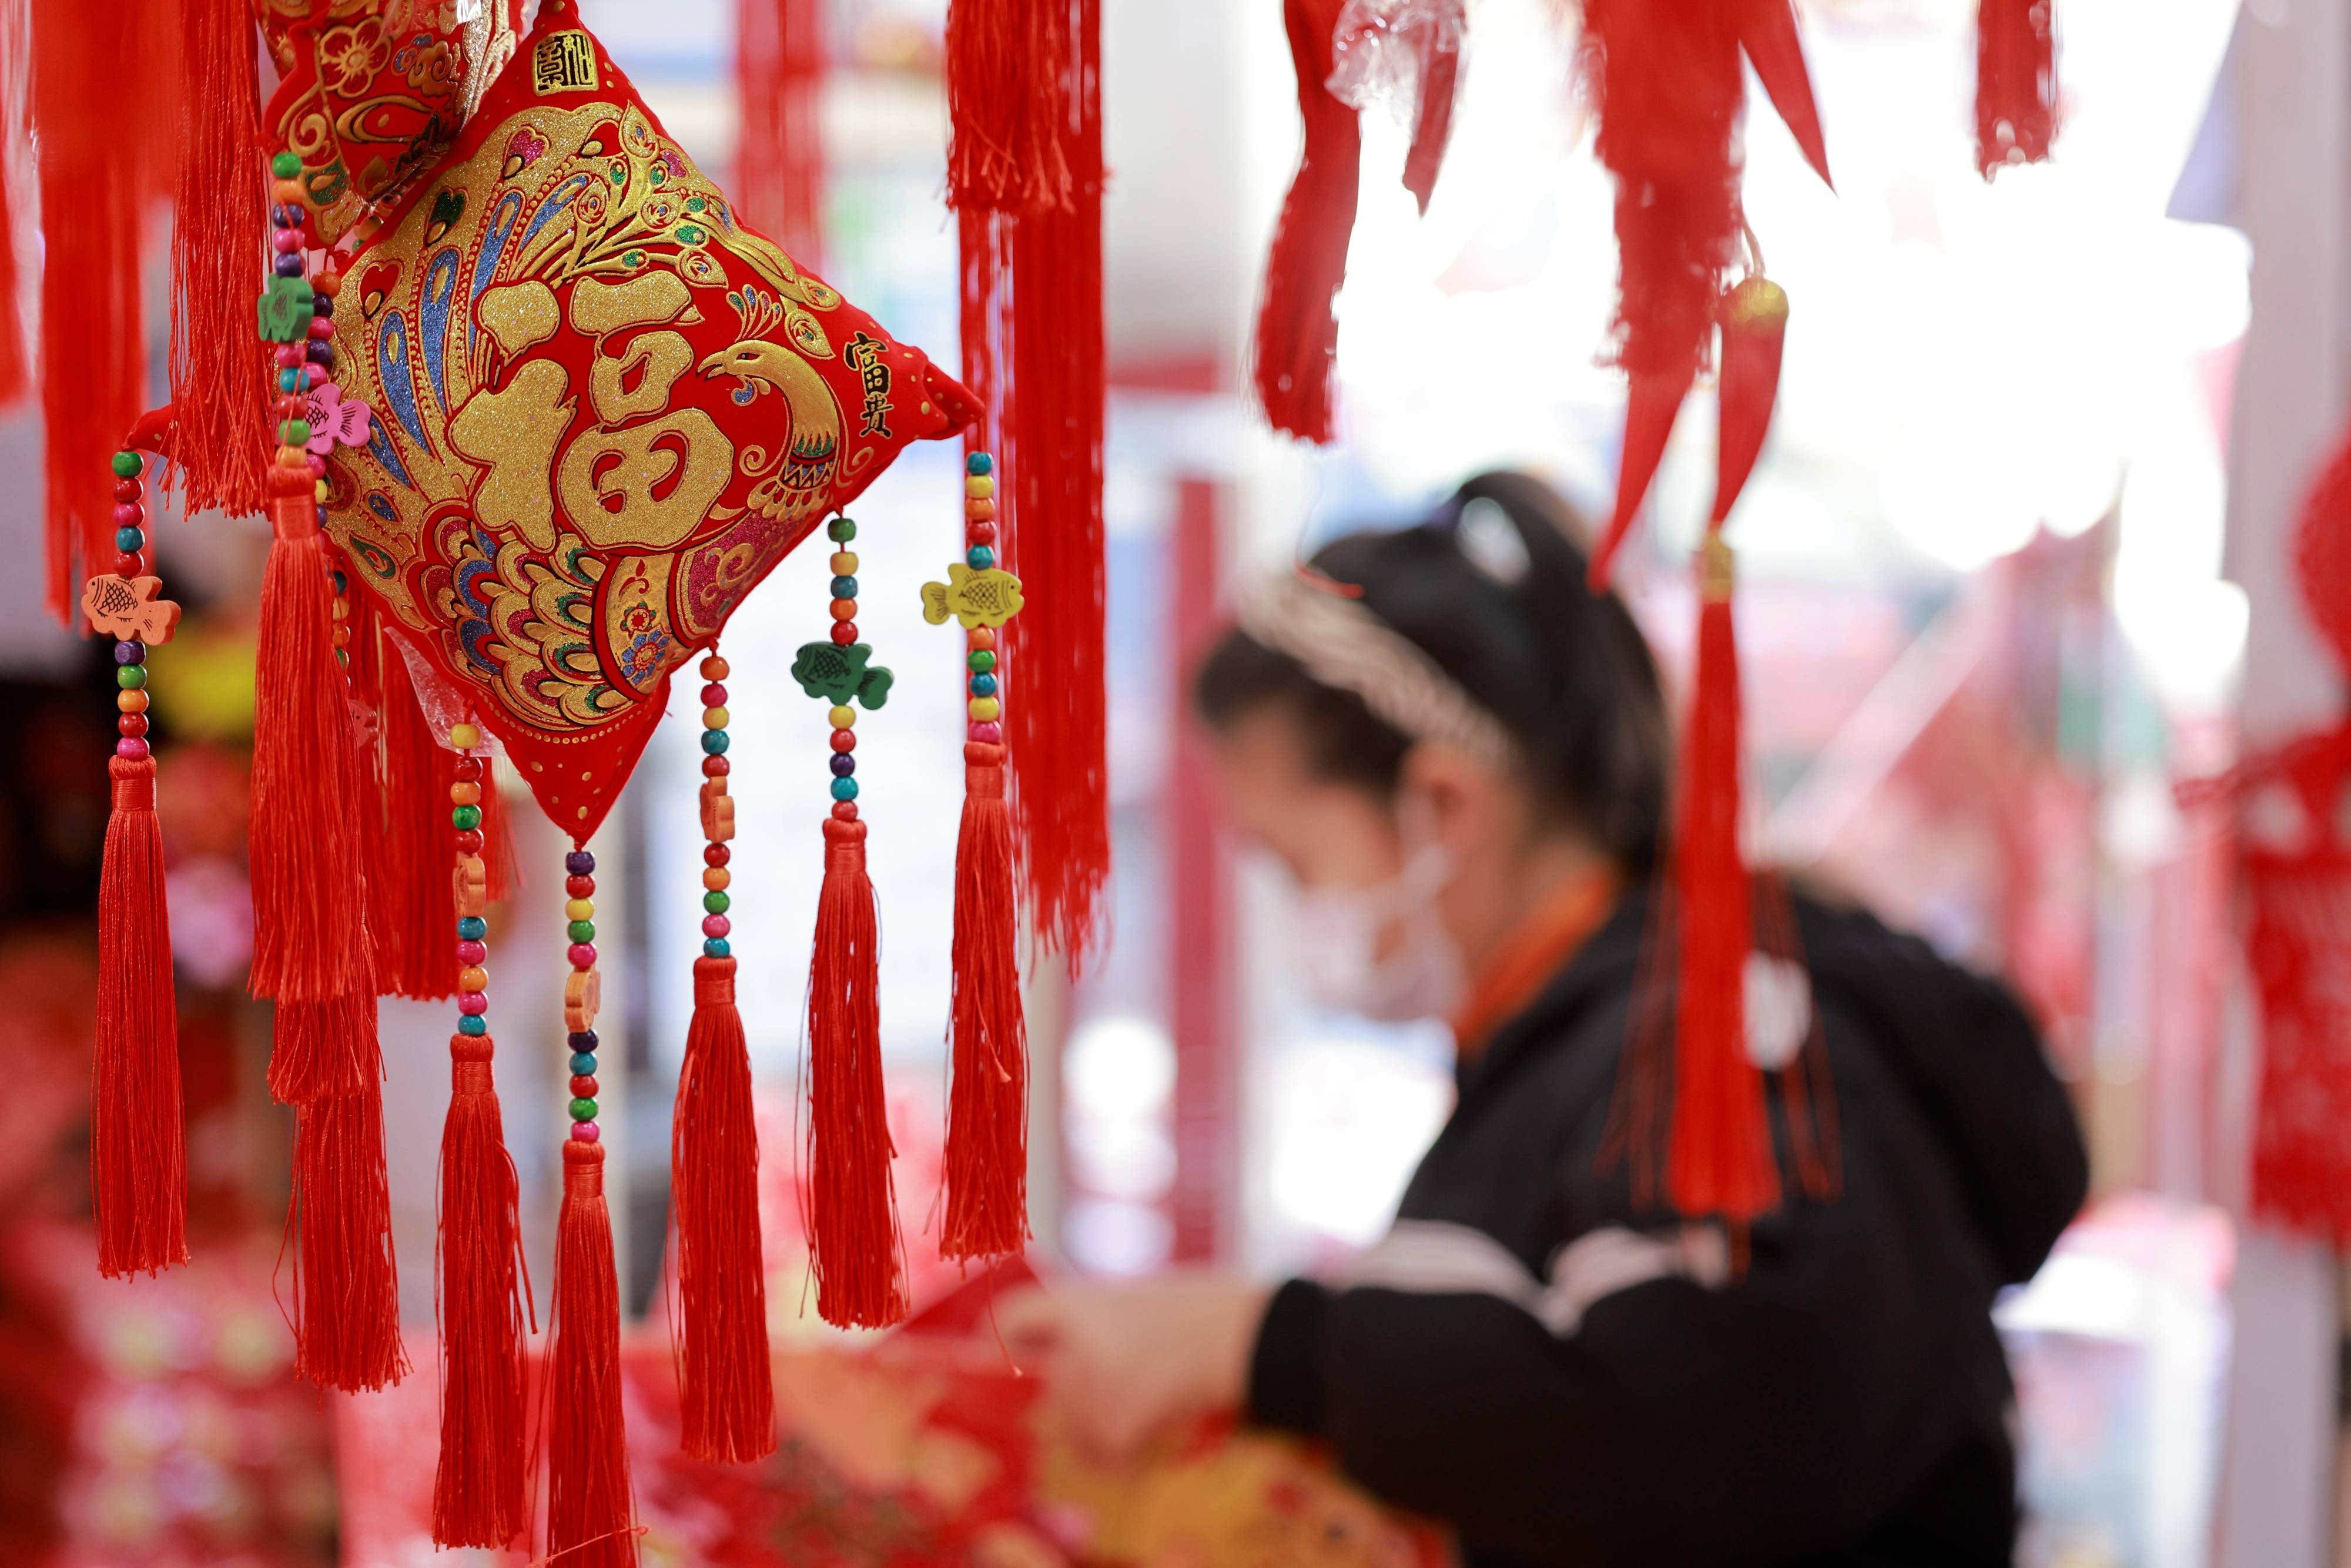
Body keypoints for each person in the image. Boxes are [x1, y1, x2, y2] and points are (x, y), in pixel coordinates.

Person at [997, 471, 2089, 1567]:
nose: (1295, 912)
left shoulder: (1719, 1039)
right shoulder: (1569, 1046)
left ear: (1444, 805)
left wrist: (1259, 1345)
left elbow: (1709, 1432)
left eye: (1294, 861)